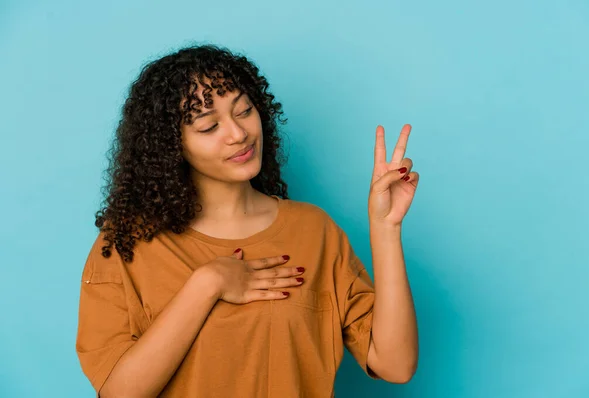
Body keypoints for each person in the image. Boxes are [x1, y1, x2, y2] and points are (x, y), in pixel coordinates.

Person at [75, 44, 419, 398]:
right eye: (209, 127)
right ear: (170, 145)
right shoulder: (126, 243)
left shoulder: (314, 231)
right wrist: (207, 285)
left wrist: (386, 228)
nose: (238, 133)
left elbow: (394, 364)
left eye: (244, 110)